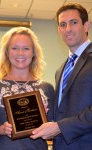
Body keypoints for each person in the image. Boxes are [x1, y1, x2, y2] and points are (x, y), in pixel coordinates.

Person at [30, 3, 92, 150]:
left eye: (74, 22)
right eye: (63, 24)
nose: (68, 29)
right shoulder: (61, 70)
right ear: (59, 30)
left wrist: (60, 127)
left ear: (86, 25)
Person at [0, 26, 54, 150]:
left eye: (26, 48)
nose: (20, 53)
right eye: (14, 48)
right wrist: (0, 129)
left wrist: (44, 118)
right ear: (7, 52)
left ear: (34, 52)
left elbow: (55, 130)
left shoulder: (47, 88)